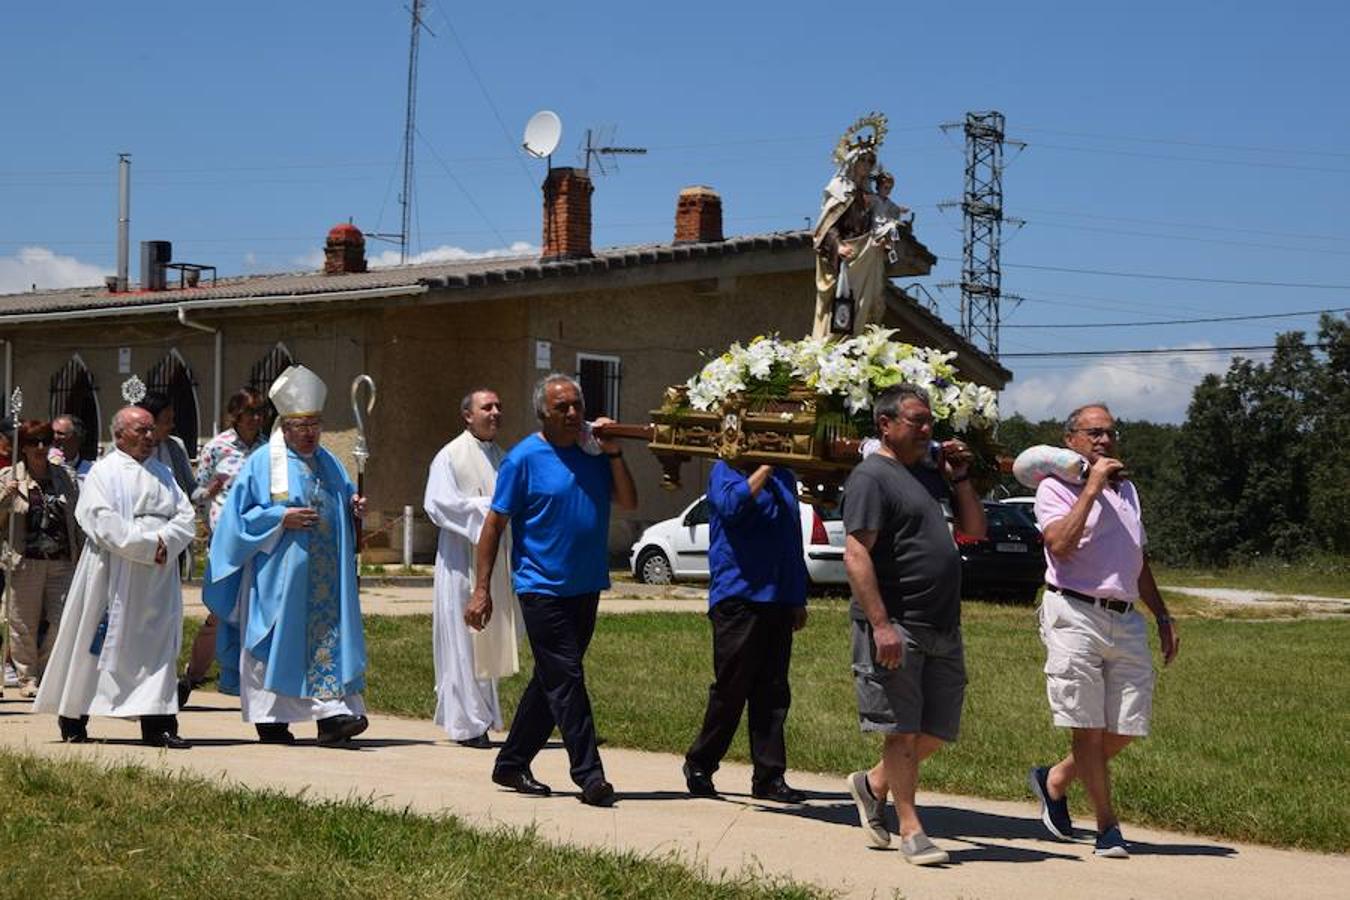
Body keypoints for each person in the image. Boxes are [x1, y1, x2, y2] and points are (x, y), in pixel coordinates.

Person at [467, 373, 636, 807]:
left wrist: (614, 450)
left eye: (577, 404)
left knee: (552, 680)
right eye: (562, 407)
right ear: (543, 413)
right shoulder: (523, 459)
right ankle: (590, 775)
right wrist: (481, 589)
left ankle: (512, 761)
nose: (574, 414)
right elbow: (493, 526)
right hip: (541, 587)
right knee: (568, 678)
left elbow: (630, 501)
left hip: (586, 585)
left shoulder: (594, 454)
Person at [840, 384, 985, 866]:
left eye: (930, 422)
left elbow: (975, 531)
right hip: (897, 624)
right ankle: (910, 829)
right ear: (885, 424)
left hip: (942, 623)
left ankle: (873, 783)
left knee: (939, 729)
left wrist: (960, 478)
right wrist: (881, 625)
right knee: (901, 731)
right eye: (917, 421)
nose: (928, 430)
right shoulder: (871, 477)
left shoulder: (928, 475)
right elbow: (856, 552)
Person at [1027, 403, 1179, 859]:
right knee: (1088, 727)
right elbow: (1059, 544)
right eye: (1093, 433)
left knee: (1129, 726)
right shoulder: (1053, 489)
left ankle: (1055, 779)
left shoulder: (1128, 490)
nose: (1103, 440)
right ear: (1069, 439)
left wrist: (1164, 616)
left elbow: (1137, 559)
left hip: (1125, 616)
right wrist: (1090, 487)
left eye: (1110, 432)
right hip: (1074, 612)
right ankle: (1108, 827)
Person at [202, 365, 369, 747]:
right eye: (300, 425)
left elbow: (340, 499)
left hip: (324, 580)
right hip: (278, 577)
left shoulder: (330, 461)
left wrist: (352, 507)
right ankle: (271, 718)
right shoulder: (263, 462)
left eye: (315, 424)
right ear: (284, 427)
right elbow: (236, 520)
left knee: (325, 641)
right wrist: (280, 517)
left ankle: (332, 718)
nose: (309, 433)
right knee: (274, 641)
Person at [33, 406, 196, 748]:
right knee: (93, 644)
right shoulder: (103, 473)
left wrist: (168, 542)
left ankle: (159, 725)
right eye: (141, 430)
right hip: (112, 573)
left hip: (158, 578)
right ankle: (74, 716)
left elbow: (185, 516)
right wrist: (149, 545)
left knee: (158, 650)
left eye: (152, 430)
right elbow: (98, 519)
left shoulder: (164, 474)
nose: (150, 437)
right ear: (119, 434)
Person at [682, 461, 809, 802]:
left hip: (778, 597)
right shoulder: (725, 470)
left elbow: (790, 536)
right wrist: (764, 468)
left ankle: (769, 777)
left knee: (773, 691)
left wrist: (797, 597)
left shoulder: (785, 475)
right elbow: (731, 508)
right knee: (732, 686)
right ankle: (700, 763)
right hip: (738, 595)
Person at [423, 388, 520, 748]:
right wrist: (488, 509)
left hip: (492, 562)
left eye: (499, 406)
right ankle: (466, 723)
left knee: (485, 638)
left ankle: (483, 714)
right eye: (487, 407)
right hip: (459, 561)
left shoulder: (503, 457)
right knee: (463, 639)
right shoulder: (450, 456)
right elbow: (437, 504)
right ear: (468, 415)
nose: (495, 412)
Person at [177, 387, 267, 705]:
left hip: (258, 539)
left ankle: (251, 677)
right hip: (226, 539)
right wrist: (212, 496)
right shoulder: (218, 447)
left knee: (256, 608)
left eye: (261, 412)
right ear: (235, 415)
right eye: (251, 412)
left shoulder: (268, 448)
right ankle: (195, 674)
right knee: (221, 608)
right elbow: (197, 495)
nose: (257, 418)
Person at [0, 421, 84, 698]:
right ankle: (27, 677)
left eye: (45, 442)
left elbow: (77, 518)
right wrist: (5, 498)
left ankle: (48, 671)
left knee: (62, 620)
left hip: (61, 558)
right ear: (22, 446)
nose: (40, 448)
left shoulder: (66, 477)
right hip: (25, 560)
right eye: (34, 442)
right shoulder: (9, 476)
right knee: (23, 622)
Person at [51, 414, 94, 483]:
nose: (54, 437)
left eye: (60, 434)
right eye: (51, 433)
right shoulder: (43, 467)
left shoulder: (91, 471)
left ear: (77, 437)